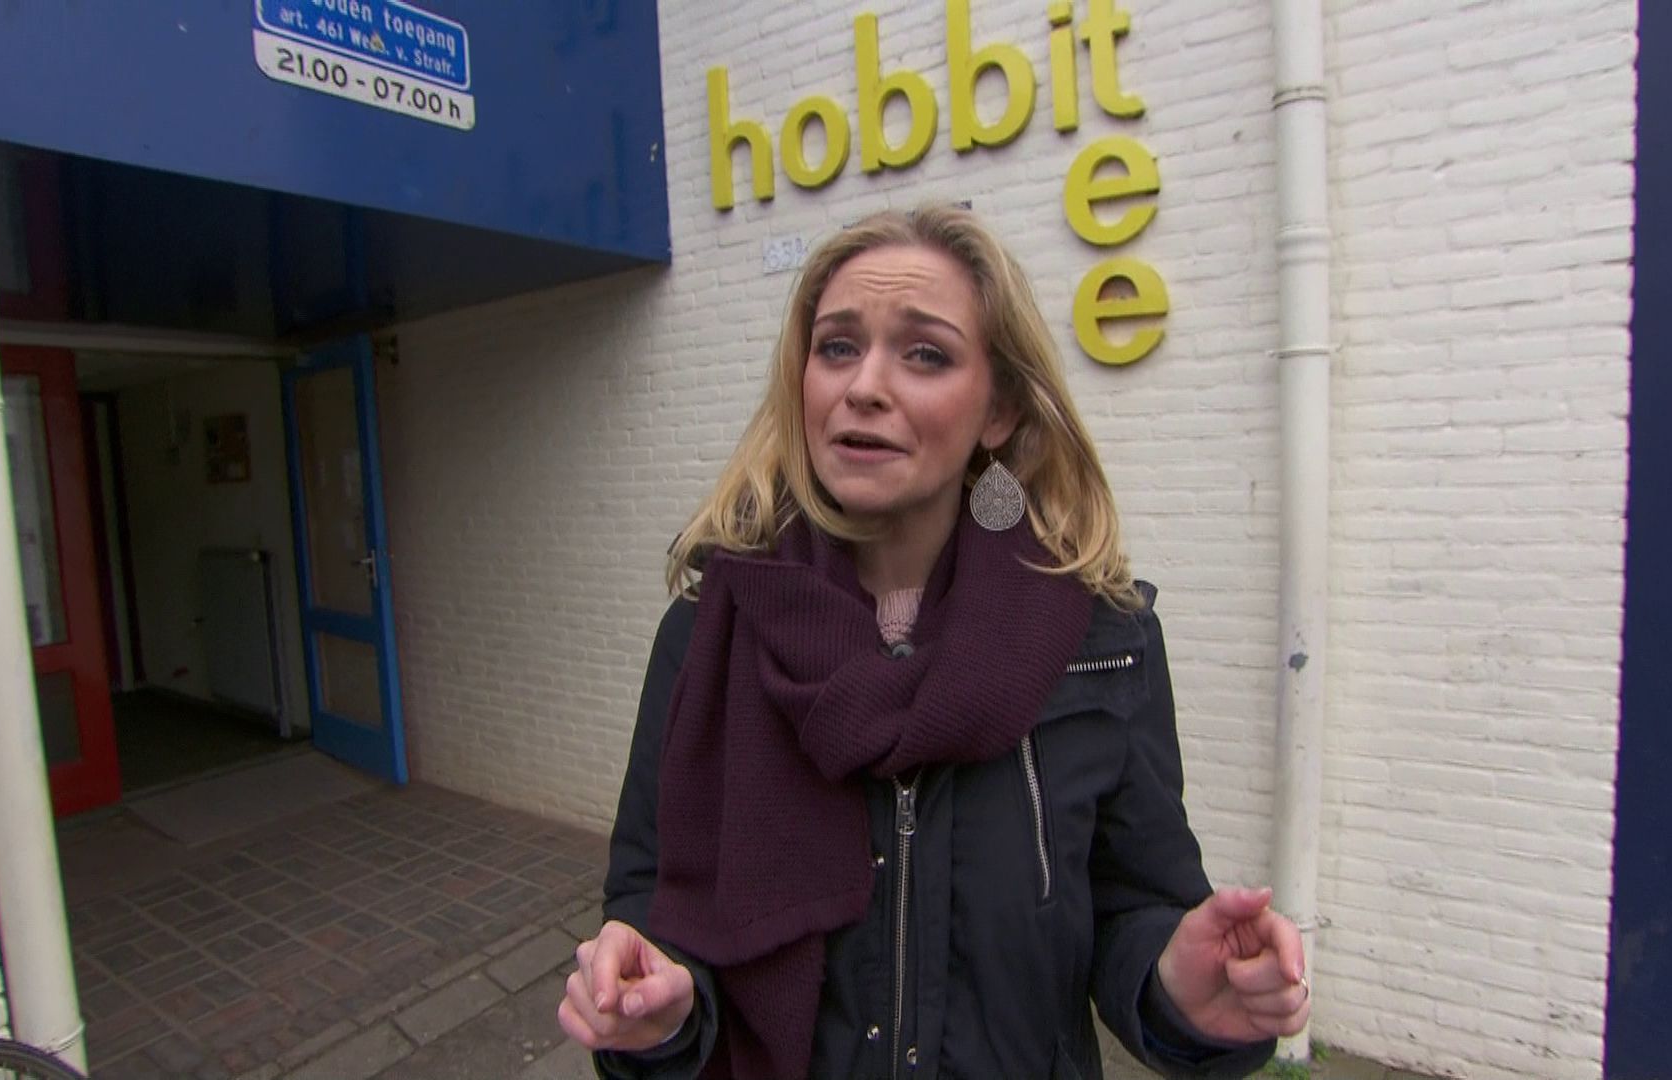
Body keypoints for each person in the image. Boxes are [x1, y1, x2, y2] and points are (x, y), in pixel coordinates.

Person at [557, 205, 1310, 1079]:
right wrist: (657, 1012)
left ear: (1000, 410)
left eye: (925, 354)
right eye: (837, 347)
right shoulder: (710, 632)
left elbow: (1134, 903)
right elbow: (654, 899)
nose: (864, 386)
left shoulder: (1102, 639)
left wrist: (1176, 986)